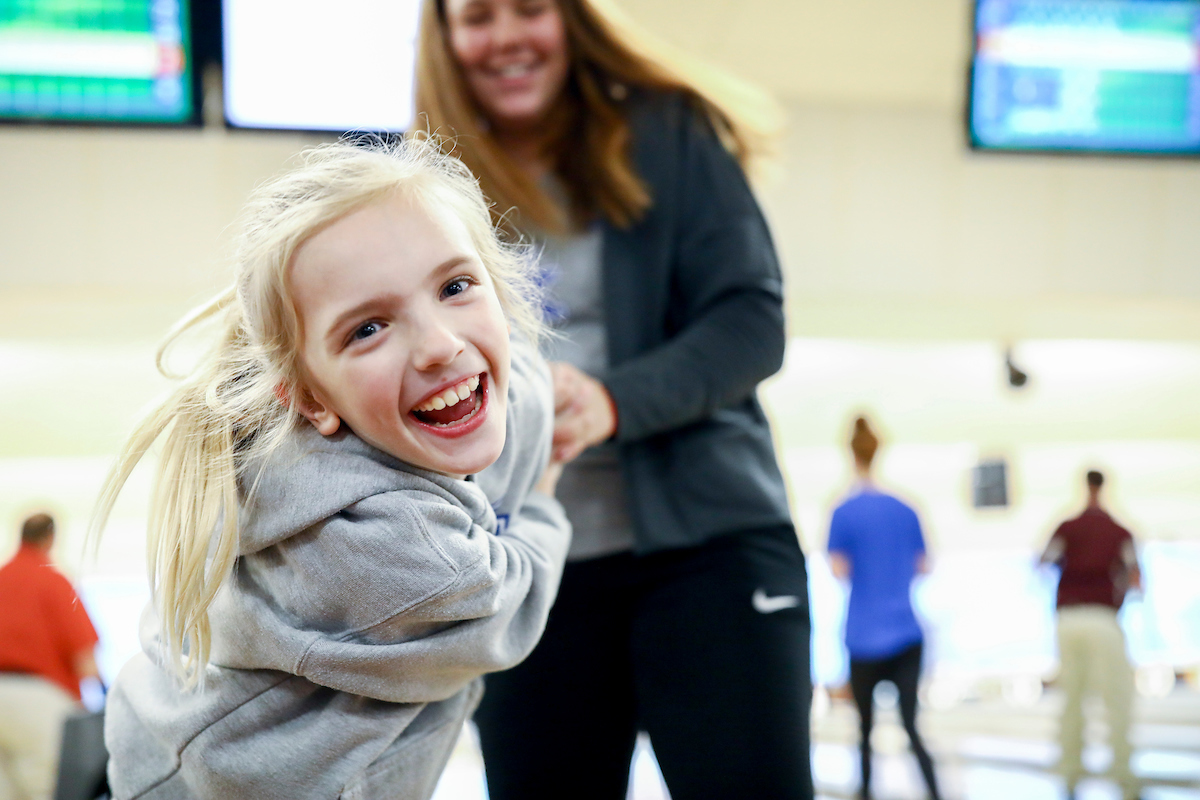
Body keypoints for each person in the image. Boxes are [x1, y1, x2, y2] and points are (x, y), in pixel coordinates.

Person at [89, 138, 571, 800]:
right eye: (368, 329)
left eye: (456, 286)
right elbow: (506, 612)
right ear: (311, 399)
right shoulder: (379, 539)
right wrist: (544, 497)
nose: (441, 345)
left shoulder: (467, 393)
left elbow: (521, 383)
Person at [415, 2, 813, 798]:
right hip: (533, 574)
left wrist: (611, 401)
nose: (506, 37)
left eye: (530, 8)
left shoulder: (668, 134)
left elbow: (750, 324)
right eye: (477, 16)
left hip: (709, 551)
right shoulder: (425, 188)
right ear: (445, 35)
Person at [827, 417, 941, 800]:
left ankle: (865, 793)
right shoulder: (906, 509)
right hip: (906, 632)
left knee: (864, 731)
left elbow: (838, 569)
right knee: (912, 726)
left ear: (850, 452)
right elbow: (924, 565)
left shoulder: (843, 511)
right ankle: (935, 792)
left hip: (863, 636)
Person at [1039, 469, 1141, 800]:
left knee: (1071, 699)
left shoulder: (1068, 527)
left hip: (1068, 619)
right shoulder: (1119, 531)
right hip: (1103, 618)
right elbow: (1137, 578)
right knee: (1116, 700)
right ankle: (1124, 778)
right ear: (1105, 487)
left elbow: (1042, 561)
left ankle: (1070, 776)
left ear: (1084, 486)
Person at [0, 512, 101, 800]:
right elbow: (85, 659)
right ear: (50, 538)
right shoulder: (52, 580)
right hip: (37, 697)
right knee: (48, 788)